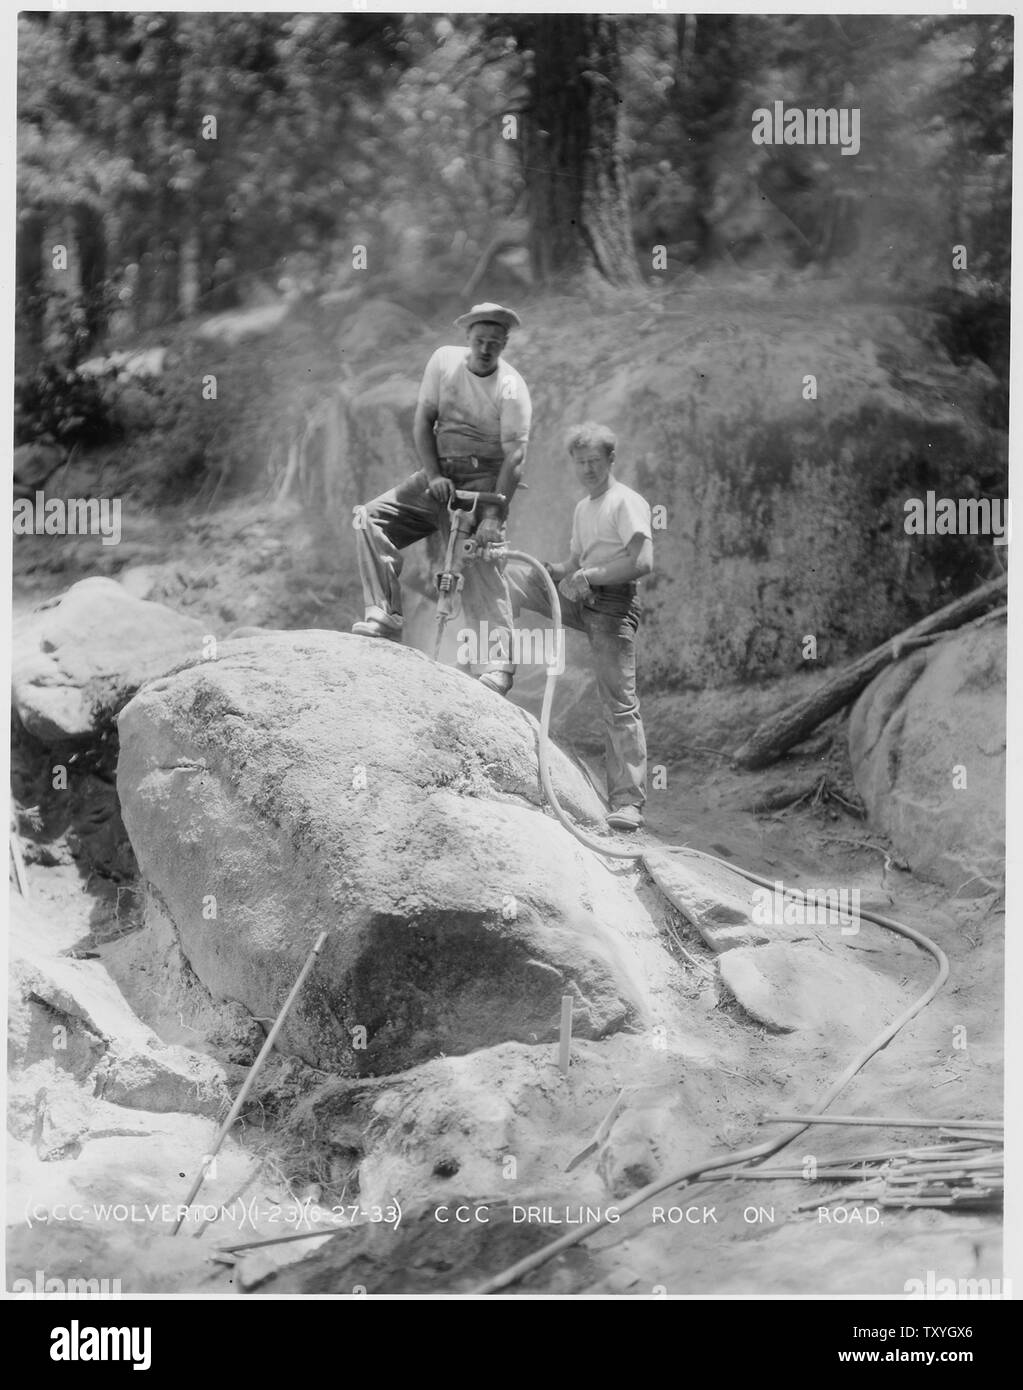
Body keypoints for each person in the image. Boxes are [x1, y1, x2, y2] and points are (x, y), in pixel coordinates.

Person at [351, 302, 531, 692]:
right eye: (480, 340)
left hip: (484, 483)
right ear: (468, 338)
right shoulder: (444, 363)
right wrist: (433, 475)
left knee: (481, 561)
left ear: (504, 345)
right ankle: (384, 613)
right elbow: (422, 421)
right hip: (440, 477)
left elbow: (515, 454)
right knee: (368, 518)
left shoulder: (512, 386)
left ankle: (496, 664)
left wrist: (492, 516)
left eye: (494, 344)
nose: (485, 349)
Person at [505, 422, 652, 831]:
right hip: (580, 595)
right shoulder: (584, 508)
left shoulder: (626, 502)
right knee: (514, 576)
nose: (588, 469)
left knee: (619, 702)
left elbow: (642, 562)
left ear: (610, 460)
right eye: (581, 462)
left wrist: (591, 576)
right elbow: (573, 564)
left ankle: (628, 804)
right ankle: (498, 668)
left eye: (595, 461)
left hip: (613, 605)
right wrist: (552, 570)